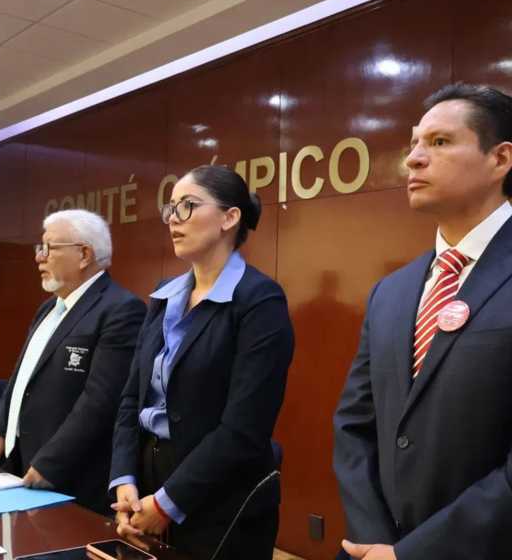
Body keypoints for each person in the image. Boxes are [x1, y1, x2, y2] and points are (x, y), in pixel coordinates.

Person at [333, 83, 512, 560]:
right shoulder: (390, 292)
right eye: (413, 143)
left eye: (439, 142)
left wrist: (415, 554)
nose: (413, 158)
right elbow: (354, 423)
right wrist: (376, 541)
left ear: (500, 159)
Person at [110, 165, 294, 560]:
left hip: (219, 499)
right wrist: (124, 482)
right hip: (146, 484)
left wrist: (167, 503)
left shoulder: (260, 300)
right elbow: (131, 399)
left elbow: (245, 427)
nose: (173, 219)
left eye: (188, 206)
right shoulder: (164, 294)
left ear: (230, 218)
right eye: (170, 208)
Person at [0, 210, 146, 515]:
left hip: (69, 476)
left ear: (84, 254)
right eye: (40, 248)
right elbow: (21, 379)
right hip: (20, 463)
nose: (39, 257)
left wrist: (51, 462)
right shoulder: (48, 308)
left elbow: (100, 401)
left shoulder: (121, 310)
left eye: (49, 248)